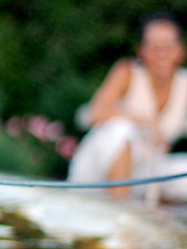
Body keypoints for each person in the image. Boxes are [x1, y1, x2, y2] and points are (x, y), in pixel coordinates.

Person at [68, 12, 187, 201]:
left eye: (169, 46)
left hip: (143, 174)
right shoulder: (127, 72)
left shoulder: (184, 84)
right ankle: (120, 211)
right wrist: (144, 120)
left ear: (180, 51)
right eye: (155, 46)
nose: (162, 53)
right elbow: (94, 113)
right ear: (142, 51)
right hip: (96, 172)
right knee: (120, 130)